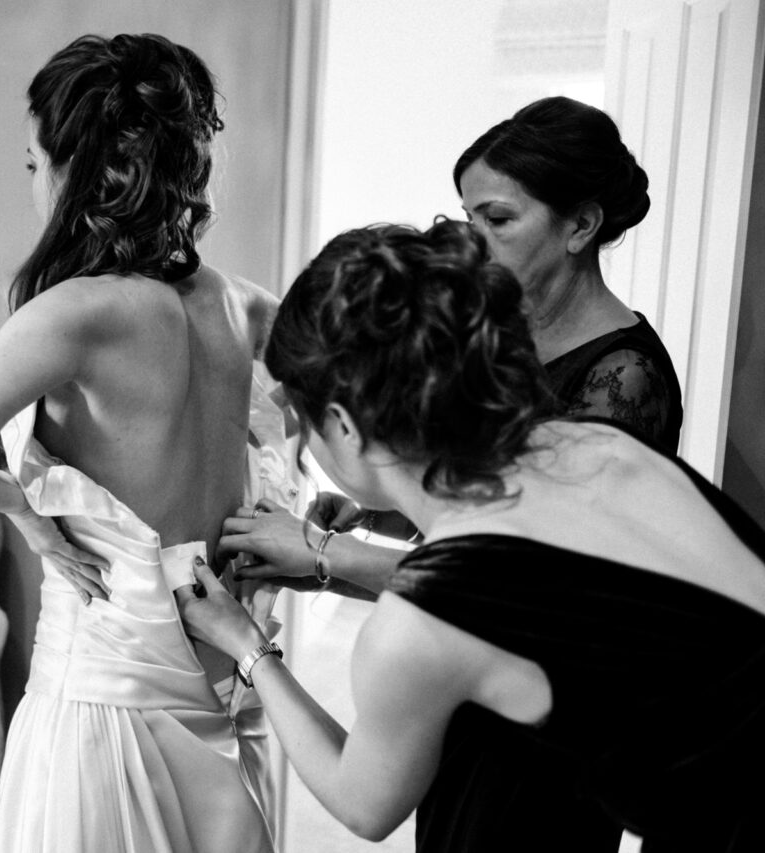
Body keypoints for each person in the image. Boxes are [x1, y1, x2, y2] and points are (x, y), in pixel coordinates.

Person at [177, 219, 765, 851]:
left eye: (303, 418)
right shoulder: (596, 443)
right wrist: (375, 529)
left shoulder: (416, 628)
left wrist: (247, 647)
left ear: (345, 426)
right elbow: (555, 592)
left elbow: (364, 804)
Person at [0, 33, 295, 853]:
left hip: (99, 715)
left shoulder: (74, 315)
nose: (32, 183)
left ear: (92, 173)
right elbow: (317, 421)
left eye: (36, 163)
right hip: (223, 696)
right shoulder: (240, 305)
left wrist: (27, 507)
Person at [224, 95, 684, 599]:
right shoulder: (495, 331)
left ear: (580, 226)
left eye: (499, 219)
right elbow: (488, 513)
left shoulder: (626, 378)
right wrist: (383, 516)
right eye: (471, 217)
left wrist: (328, 555)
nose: (474, 240)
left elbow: (535, 591)